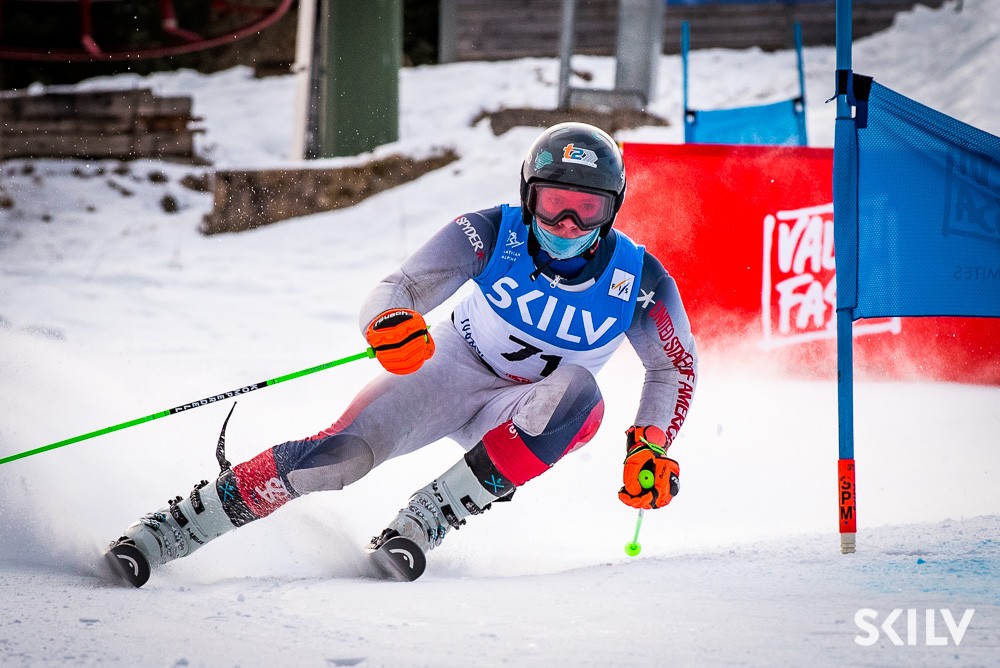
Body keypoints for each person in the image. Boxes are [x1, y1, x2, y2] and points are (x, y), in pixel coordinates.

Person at [108, 122, 698, 586]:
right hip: (451, 368)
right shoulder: (493, 231)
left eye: (588, 209)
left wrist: (650, 446)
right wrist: (389, 322)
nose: (567, 223)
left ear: (613, 208)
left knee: (581, 397)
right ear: (528, 197)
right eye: (553, 204)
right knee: (335, 458)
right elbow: (402, 287)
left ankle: (428, 519)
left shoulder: (640, 279)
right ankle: (173, 529)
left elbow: (673, 366)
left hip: (527, 414)